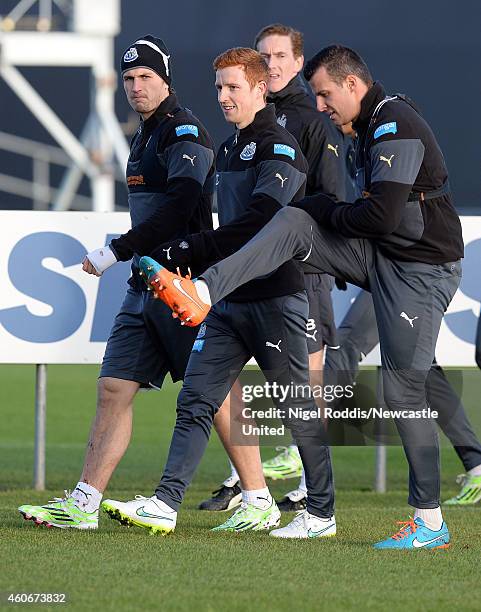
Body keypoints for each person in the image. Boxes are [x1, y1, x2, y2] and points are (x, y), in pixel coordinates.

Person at [143, 45, 464, 548]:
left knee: (404, 389)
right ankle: (207, 289)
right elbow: (363, 218)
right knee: (294, 221)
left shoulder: (392, 122)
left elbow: (377, 216)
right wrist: (319, 213)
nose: (319, 106)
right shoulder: (358, 127)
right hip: (381, 255)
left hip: (419, 270)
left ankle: (429, 522)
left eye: (324, 94)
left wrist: (326, 211)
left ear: (353, 85)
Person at [102, 47, 337, 538]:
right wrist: (196, 257)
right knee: (195, 398)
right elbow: (227, 225)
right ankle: (166, 504)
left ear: (260, 88)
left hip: (276, 298)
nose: (223, 96)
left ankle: (321, 514)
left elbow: (259, 223)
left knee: (296, 407)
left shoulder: (280, 146)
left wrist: (189, 248)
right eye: (218, 88)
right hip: (229, 302)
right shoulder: (230, 148)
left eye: (233, 87)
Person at [18, 35, 215, 529]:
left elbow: (183, 206)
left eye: (145, 77)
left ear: (165, 80)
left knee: (214, 393)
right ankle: (83, 504)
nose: (135, 86)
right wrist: (128, 257)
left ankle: (256, 496)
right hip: (143, 284)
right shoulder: (144, 134)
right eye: (128, 78)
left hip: (182, 283)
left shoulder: (183, 129)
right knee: (113, 388)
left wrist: (114, 251)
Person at [198, 23, 346, 514]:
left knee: (307, 377)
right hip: (248, 273)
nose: (275, 63)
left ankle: (310, 485)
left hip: (303, 270)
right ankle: (249, 481)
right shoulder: (248, 122)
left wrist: (311, 252)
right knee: (228, 375)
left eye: (281, 55)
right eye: (266, 55)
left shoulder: (312, 116)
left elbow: (329, 196)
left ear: (297, 63)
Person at [324, 289, 481, 506]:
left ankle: (300, 449)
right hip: (415, 276)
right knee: (424, 370)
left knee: (345, 347)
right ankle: (476, 466)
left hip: (397, 274)